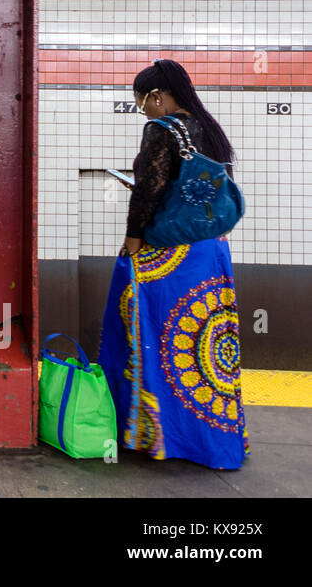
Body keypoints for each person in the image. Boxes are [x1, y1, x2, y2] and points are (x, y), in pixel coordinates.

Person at [97, 58, 247, 470]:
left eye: (142, 100)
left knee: (150, 337)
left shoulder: (161, 130)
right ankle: (211, 440)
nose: (142, 108)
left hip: (169, 255)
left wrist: (132, 240)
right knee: (205, 346)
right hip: (210, 253)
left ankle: (150, 433)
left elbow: (149, 190)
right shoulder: (208, 130)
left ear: (158, 96)